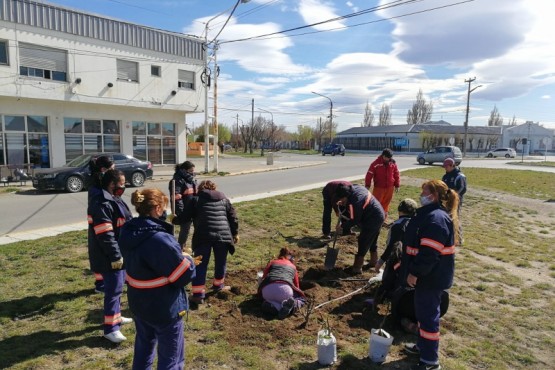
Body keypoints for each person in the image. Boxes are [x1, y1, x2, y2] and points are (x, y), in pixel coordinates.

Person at [119, 188, 197, 370]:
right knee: (171, 358)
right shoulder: (159, 239)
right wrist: (188, 259)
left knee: (144, 347)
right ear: (157, 208)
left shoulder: (128, 230)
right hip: (164, 307)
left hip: (139, 303)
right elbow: (182, 275)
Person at [402, 180, 459, 370]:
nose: (421, 194)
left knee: (428, 317)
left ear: (433, 195)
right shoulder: (429, 215)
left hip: (431, 277)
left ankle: (430, 361)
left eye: (424, 191)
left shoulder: (436, 219)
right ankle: (422, 346)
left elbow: (429, 255)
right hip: (428, 276)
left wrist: (414, 273)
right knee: (423, 313)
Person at [87, 169, 133, 343]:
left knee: (119, 287)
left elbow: (125, 221)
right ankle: (111, 329)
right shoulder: (101, 204)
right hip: (109, 256)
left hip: (120, 252)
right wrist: (115, 256)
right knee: (113, 291)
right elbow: (105, 234)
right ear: (111, 184)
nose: (124, 186)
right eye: (121, 183)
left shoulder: (115, 199)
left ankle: (117, 317)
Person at [179, 180, 239, 305]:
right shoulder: (224, 199)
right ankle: (218, 286)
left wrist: (174, 219)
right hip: (223, 236)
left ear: (200, 189)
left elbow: (185, 217)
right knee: (221, 261)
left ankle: (198, 295)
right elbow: (233, 217)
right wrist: (235, 233)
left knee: (200, 264)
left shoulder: (195, 200)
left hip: (203, 236)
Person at [335, 183, 385, 273]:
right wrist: (343, 203)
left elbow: (354, 220)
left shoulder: (355, 201)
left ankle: (357, 268)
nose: (340, 200)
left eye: (342, 198)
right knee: (372, 239)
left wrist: (342, 226)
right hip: (377, 213)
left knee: (363, 239)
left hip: (373, 217)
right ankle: (374, 261)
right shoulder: (353, 188)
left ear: (346, 196)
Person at [87, 155, 115, 294]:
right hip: (100, 221)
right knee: (101, 251)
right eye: (112, 169)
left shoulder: (99, 182)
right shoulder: (97, 186)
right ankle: (101, 284)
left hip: (103, 220)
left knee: (102, 250)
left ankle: (102, 282)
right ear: (104, 169)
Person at [257, 247, 306, 319]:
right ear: (289, 256)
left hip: (267, 292)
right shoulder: (293, 267)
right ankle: (292, 306)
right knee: (302, 298)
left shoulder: (272, 262)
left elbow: (263, 277)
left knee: (269, 301)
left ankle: (273, 306)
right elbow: (296, 285)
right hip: (285, 292)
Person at [364, 148, 400, 219]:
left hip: (390, 187)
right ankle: (374, 218)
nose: (390, 159)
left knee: (386, 203)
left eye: (391, 158)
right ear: (383, 156)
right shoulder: (375, 164)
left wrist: (397, 185)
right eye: (388, 158)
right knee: (376, 203)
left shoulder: (392, 163)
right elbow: (369, 174)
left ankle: (383, 218)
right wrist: (367, 185)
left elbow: (396, 174)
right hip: (379, 188)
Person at [169, 161, 197, 249]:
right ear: (184, 170)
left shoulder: (191, 179)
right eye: (191, 171)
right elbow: (176, 198)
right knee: (185, 229)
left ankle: (193, 248)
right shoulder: (177, 180)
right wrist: (181, 212)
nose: (193, 173)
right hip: (184, 210)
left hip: (193, 208)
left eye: (193, 171)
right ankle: (180, 248)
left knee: (193, 229)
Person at [441, 157, 466, 245]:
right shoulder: (445, 176)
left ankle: (459, 239)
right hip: (445, 201)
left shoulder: (460, 176)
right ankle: (448, 237)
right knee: (446, 218)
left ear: (452, 166)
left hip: (456, 201)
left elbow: (462, 189)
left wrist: (453, 196)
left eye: (446, 166)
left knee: (455, 218)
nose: (445, 168)